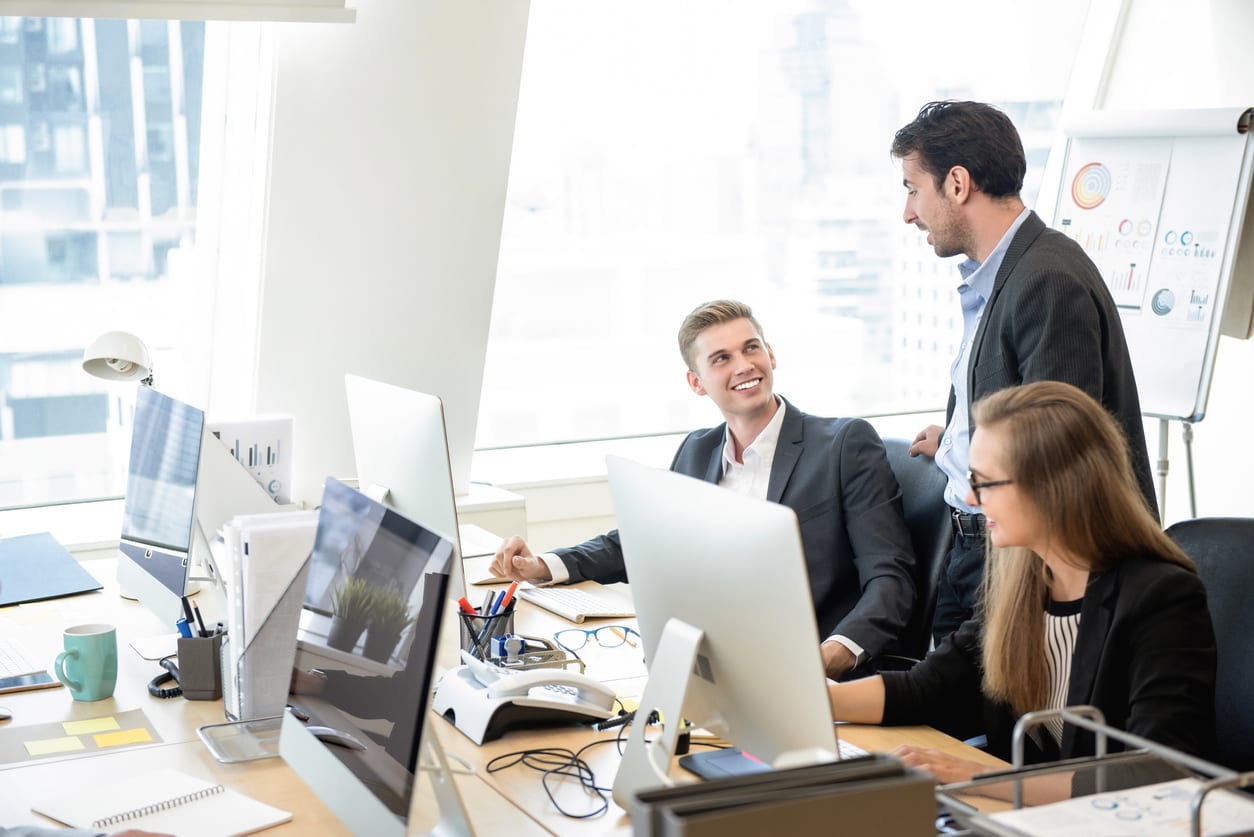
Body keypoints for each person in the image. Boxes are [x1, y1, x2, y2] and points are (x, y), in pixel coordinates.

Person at [489, 299, 917, 679]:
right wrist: (543, 565)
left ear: (770, 354)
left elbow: (890, 577)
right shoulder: (698, 450)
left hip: (810, 670)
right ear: (697, 382)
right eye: (722, 358)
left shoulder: (843, 445)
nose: (744, 365)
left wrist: (832, 655)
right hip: (715, 666)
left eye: (751, 348)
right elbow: (641, 543)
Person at [828, 381, 1216, 789]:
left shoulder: (1162, 598)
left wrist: (980, 776)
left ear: (1053, 486)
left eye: (985, 483)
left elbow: (1158, 771)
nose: (972, 499)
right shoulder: (1022, 583)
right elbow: (928, 688)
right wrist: (813, 698)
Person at [892, 100, 1157, 644]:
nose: (909, 212)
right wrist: (958, 441)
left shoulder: (1046, 280)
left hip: (1019, 563)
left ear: (958, 184)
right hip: (981, 547)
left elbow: (1055, 458)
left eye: (912, 189)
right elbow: (1019, 396)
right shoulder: (1005, 273)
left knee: (982, 723)